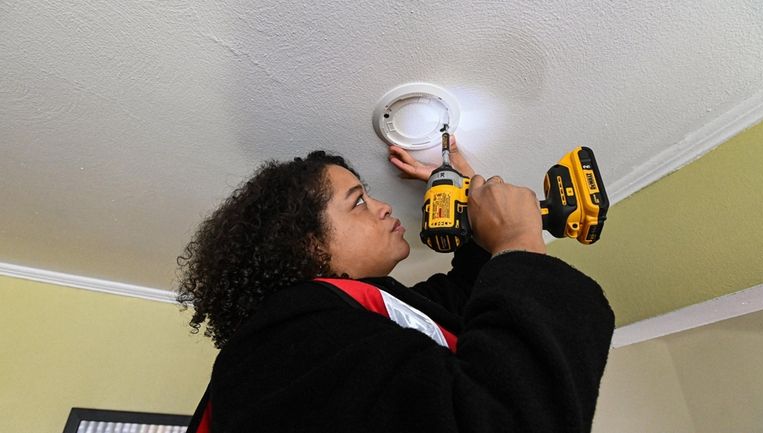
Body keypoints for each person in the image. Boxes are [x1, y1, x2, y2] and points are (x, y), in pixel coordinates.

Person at [177, 138, 615, 433]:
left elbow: (465, 304)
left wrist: (471, 206)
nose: (384, 206)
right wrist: (518, 241)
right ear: (307, 243)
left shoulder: (359, 321)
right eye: (359, 201)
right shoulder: (279, 348)